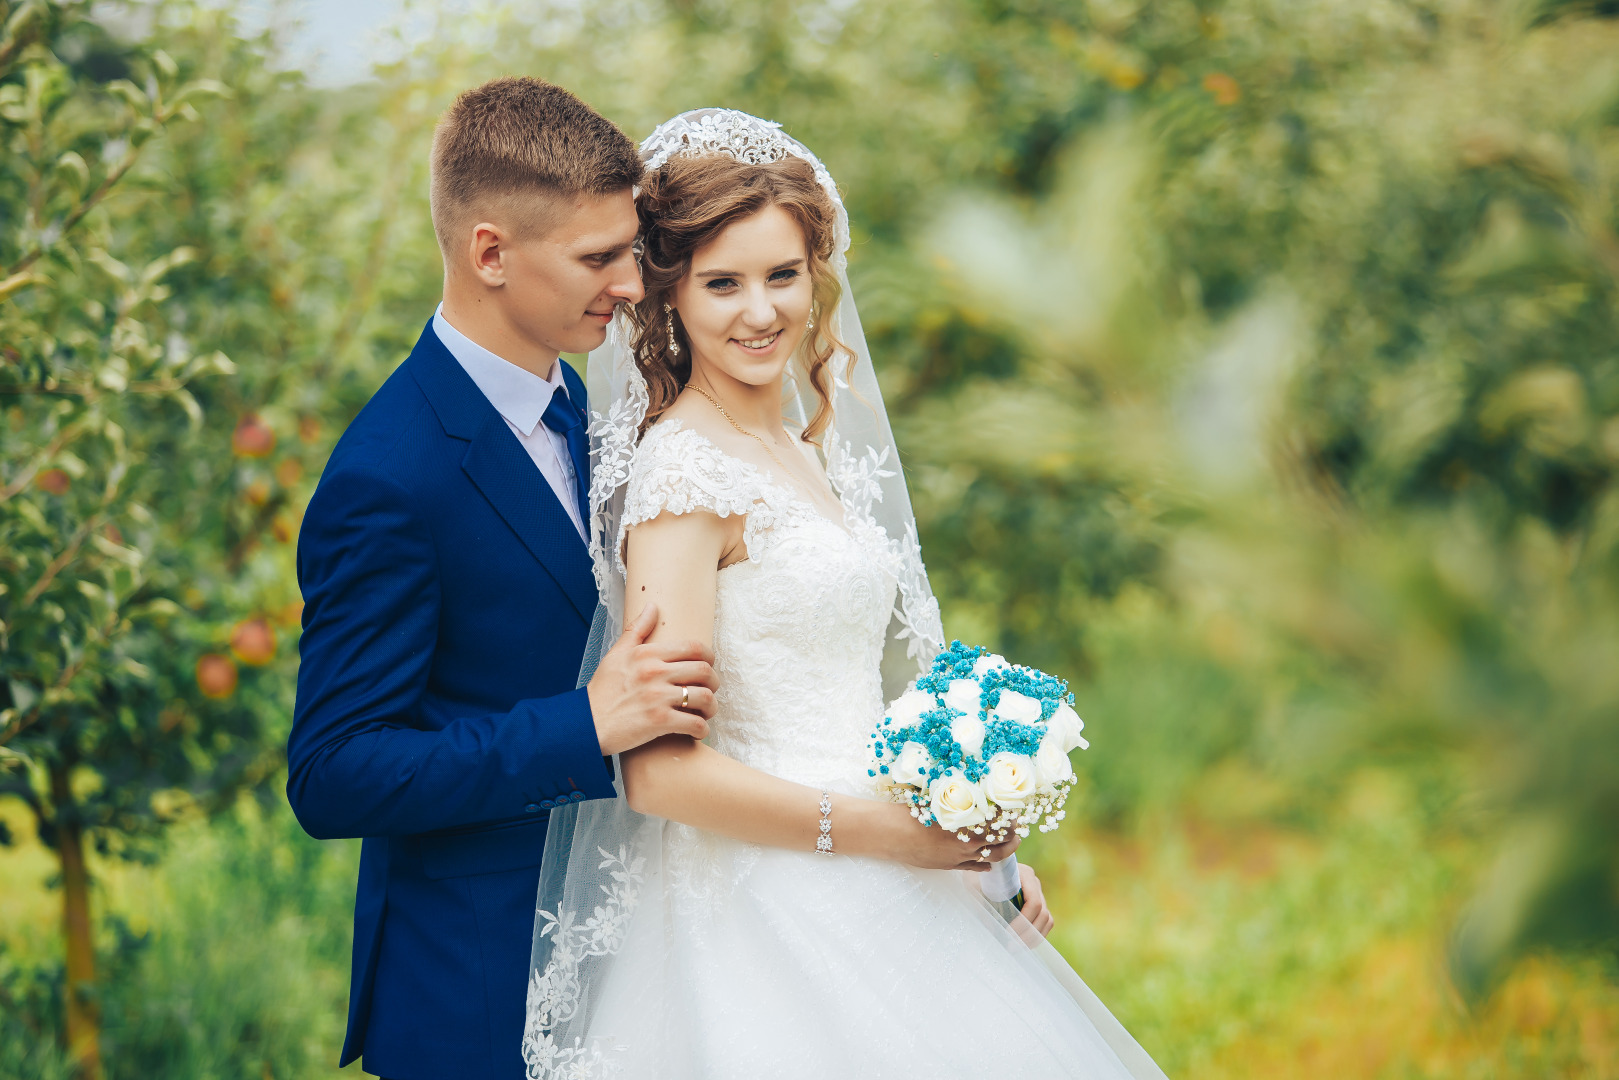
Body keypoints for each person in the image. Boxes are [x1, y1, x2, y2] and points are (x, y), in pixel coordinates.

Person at [523, 110, 1170, 1079]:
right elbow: (659, 774)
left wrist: (967, 846)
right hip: (766, 908)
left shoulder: (797, 447)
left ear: (814, 276)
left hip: (888, 868)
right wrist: (873, 832)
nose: (760, 311)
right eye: (722, 283)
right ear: (669, 298)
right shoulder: (680, 477)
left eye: (782, 276)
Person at [286, 78, 726, 1080]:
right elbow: (332, 771)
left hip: (636, 951)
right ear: (490, 252)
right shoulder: (386, 476)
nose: (631, 282)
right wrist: (584, 724)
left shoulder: (583, 406)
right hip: (479, 991)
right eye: (599, 257)